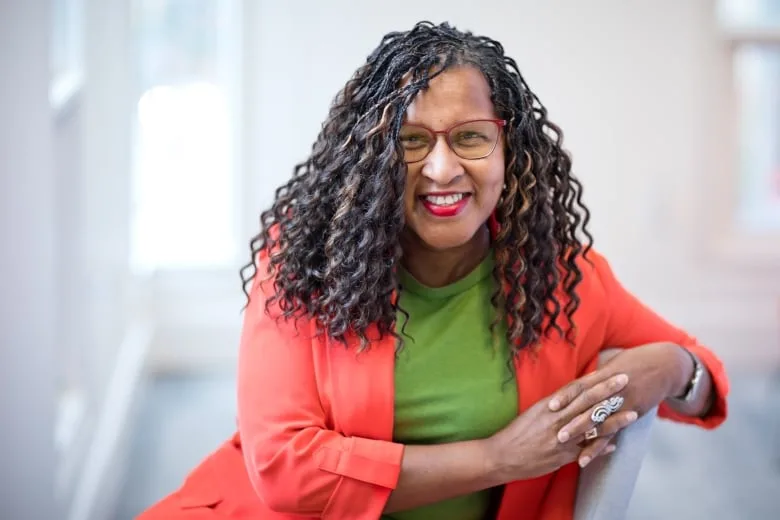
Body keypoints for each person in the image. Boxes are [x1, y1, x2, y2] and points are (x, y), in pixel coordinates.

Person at [139, 21, 729, 520]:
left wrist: (675, 367)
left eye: (471, 137)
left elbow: (706, 383)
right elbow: (283, 467)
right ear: (371, 156)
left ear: (509, 152)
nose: (442, 169)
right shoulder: (305, 263)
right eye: (411, 140)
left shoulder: (560, 280)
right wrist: (499, 457)